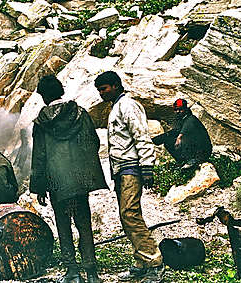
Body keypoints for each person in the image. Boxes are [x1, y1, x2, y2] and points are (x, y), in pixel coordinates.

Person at [30, 75, 108, 283]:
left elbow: (39, 156)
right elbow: (93, 141)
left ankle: (72, 272)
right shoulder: (80, 113)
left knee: (63, 226)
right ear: (60, 91)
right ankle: (92, 272)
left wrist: (38, 187)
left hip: (57, 183)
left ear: (44, 96)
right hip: (79, 181)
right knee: (84, 224)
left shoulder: (41, 122)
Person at [94, 71, 164, 282]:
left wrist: (147, 167)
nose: (101, 93)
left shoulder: (128, 106)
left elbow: (141, 137)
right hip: (121, 170)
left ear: (115, 86)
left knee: (130, 214)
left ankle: (155, 262)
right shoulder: (116, 107)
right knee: (128, 216)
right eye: (99, 90)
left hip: (131, 169)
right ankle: (141, 261)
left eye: (103, 89)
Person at [152, 98, 212, 169]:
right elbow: (174, 131)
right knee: (168, 140)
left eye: (180, 109)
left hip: (203, 152)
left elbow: (186, 128)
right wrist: (154, 140)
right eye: (176, 110)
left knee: (184, 139)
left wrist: (179, 137)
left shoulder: (192, 119)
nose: (178, 111)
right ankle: (182, 161)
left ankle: (194, 160)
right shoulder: (181, 120)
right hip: (193, 149)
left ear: (185, 109)